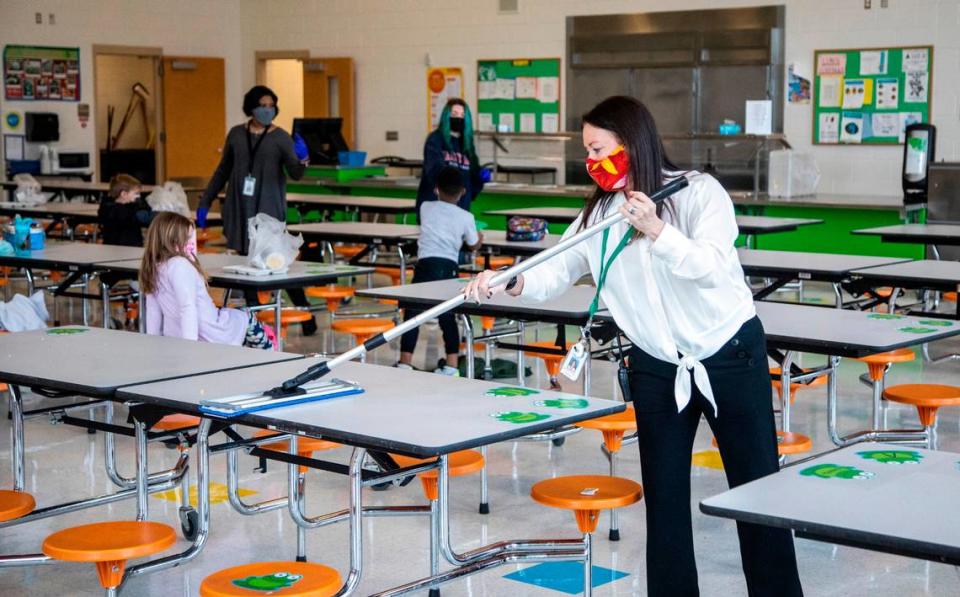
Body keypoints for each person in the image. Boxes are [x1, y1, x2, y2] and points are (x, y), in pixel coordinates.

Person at [465, 96, 803, 597]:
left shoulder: (698, 192)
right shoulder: (599, 214)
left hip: (730, 353)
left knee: (755, 492)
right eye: (586, 152)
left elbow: (710, 267)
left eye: (599, 148)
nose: (592, 162)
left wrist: (658, 231)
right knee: (664, 500)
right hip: (656, 365)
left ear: (632, 142)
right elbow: (556, 267)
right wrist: (508, 282)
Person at [197, 85, 316, 335]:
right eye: (263, 105)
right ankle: (254, 318)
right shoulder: (236, 135)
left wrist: (303, 158)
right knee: (245, 262)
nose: (267, 110)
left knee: (276, 263)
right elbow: (223, 169)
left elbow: (295, 173)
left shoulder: (281, 137)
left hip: (268, 208)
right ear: (251, 107)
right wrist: (205, 201)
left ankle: (306, 314)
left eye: (272, 105)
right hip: (240, 207)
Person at [140, 212, 274, 350]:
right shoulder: (179, 265)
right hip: (210, 333)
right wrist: (190, 348)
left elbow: (153, 310)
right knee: (247, 316)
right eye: (186, 239)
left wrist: (154, 344)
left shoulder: (153, 266)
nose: (190, 244)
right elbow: (187, 307)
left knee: (236, 315)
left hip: (176, 335)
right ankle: (272, 356)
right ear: (173, 241)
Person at [398, 166, 482, 375]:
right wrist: (480, 237)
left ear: (436, 189)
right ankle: (451, 364)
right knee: (448, 315)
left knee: (412, 313)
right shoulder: (466, 217)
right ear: (463, 191)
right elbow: (472, 244)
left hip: (425, 265)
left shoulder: (426, 207)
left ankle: (405, 361)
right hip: (448, 267)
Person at [416, 98, 488, 219]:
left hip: (460, 210)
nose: (459, 118)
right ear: (446, 116)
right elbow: (434, 171)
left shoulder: (467, 145)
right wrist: (457, 174)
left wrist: (480, 176)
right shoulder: (435, 140)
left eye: (462, 115)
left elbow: (472, 181)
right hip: (435, 210)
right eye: (454, 114)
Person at [98, 174, 152, 247]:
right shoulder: (125, 212)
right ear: (124, 194)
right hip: (128, 247)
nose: (139, 196)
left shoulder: (107, 207)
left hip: (111, 247)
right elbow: (144, 217)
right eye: (136, 193)